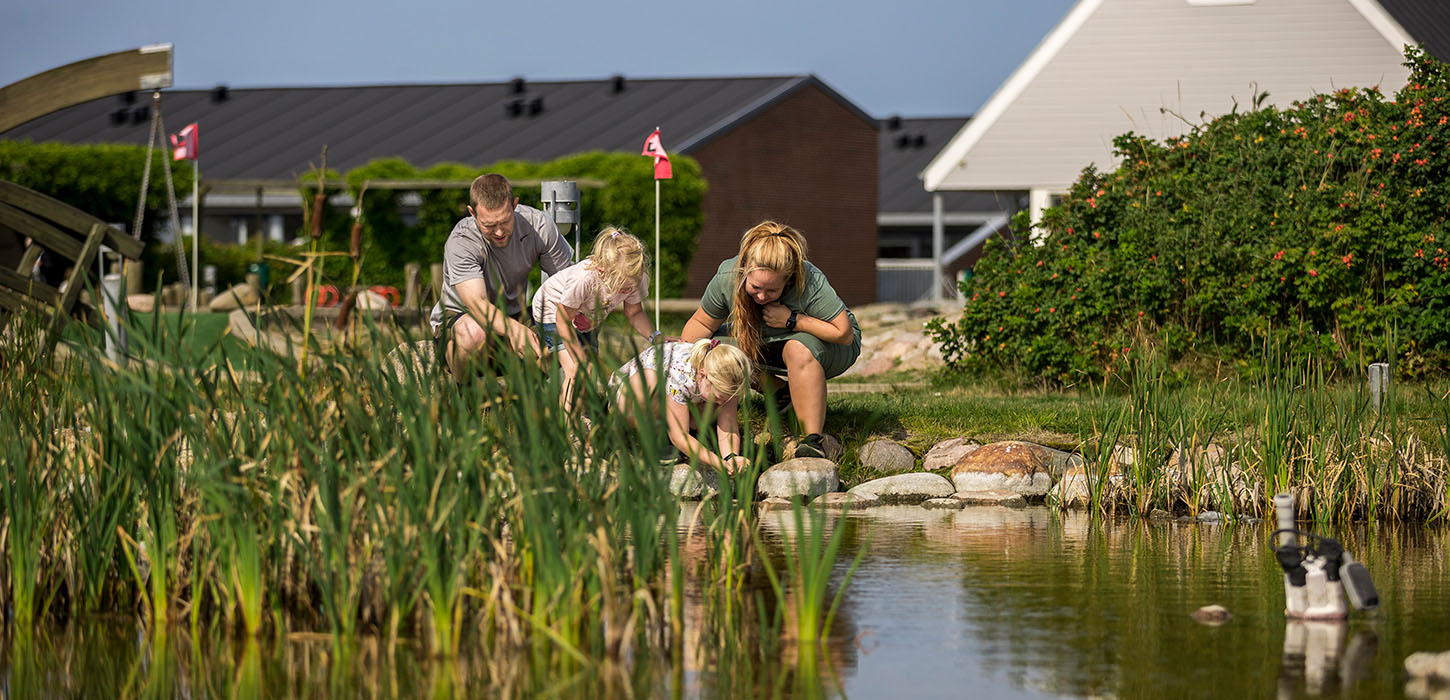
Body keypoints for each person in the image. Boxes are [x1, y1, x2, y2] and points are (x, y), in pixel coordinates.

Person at [681, 220, 861, 460]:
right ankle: (777, 391)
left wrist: (792, 320)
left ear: (788, 279)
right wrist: (683, 357)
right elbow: (701, 325)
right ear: (744, 270)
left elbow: (843, 333)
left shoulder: (810, 280)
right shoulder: (727, 275)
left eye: (771, 291)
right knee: (715, 348)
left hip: (830, 345)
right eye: (755, 287)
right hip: (764, 339)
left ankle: (812, 440)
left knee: (797, 348)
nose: (762, 296)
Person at [430, 174, 574, 377]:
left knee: (569, 322)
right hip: (462, 318)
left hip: (516, 313)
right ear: (472, 213)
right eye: (489, 225)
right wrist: (514, 330)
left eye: (505, 222)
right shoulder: (461, 241)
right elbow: (477, 304)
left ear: (515, 205)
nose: (498, 232)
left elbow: (566, 283)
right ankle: (467, 398)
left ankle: (551, 396)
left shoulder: (539, 226)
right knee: (473, 333)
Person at [531, 226, 660, 407]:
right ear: (601, 270)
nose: (628, 291)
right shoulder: (584, 279)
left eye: (631, 286)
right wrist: (578, 358)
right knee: (578, 370)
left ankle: (538, 369)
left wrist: (655, 337)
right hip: (553, 311)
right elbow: (562, 319)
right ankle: (568, 428)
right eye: (622, 287)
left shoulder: (635, 278)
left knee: (588, 367)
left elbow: (635, 312)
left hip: (587, 319)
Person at [611, 339, 752, 474]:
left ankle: (684, 435)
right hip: (628, 400)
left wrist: (731, 457)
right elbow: (680, 436)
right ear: (703, 375)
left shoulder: (729, 382)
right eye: (718, 398)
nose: (721, 404)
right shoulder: (680, 376)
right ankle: (657, 439)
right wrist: (715, 462)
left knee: (714, 406)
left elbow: (729, 423)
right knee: (649, 382)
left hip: (681, 399)